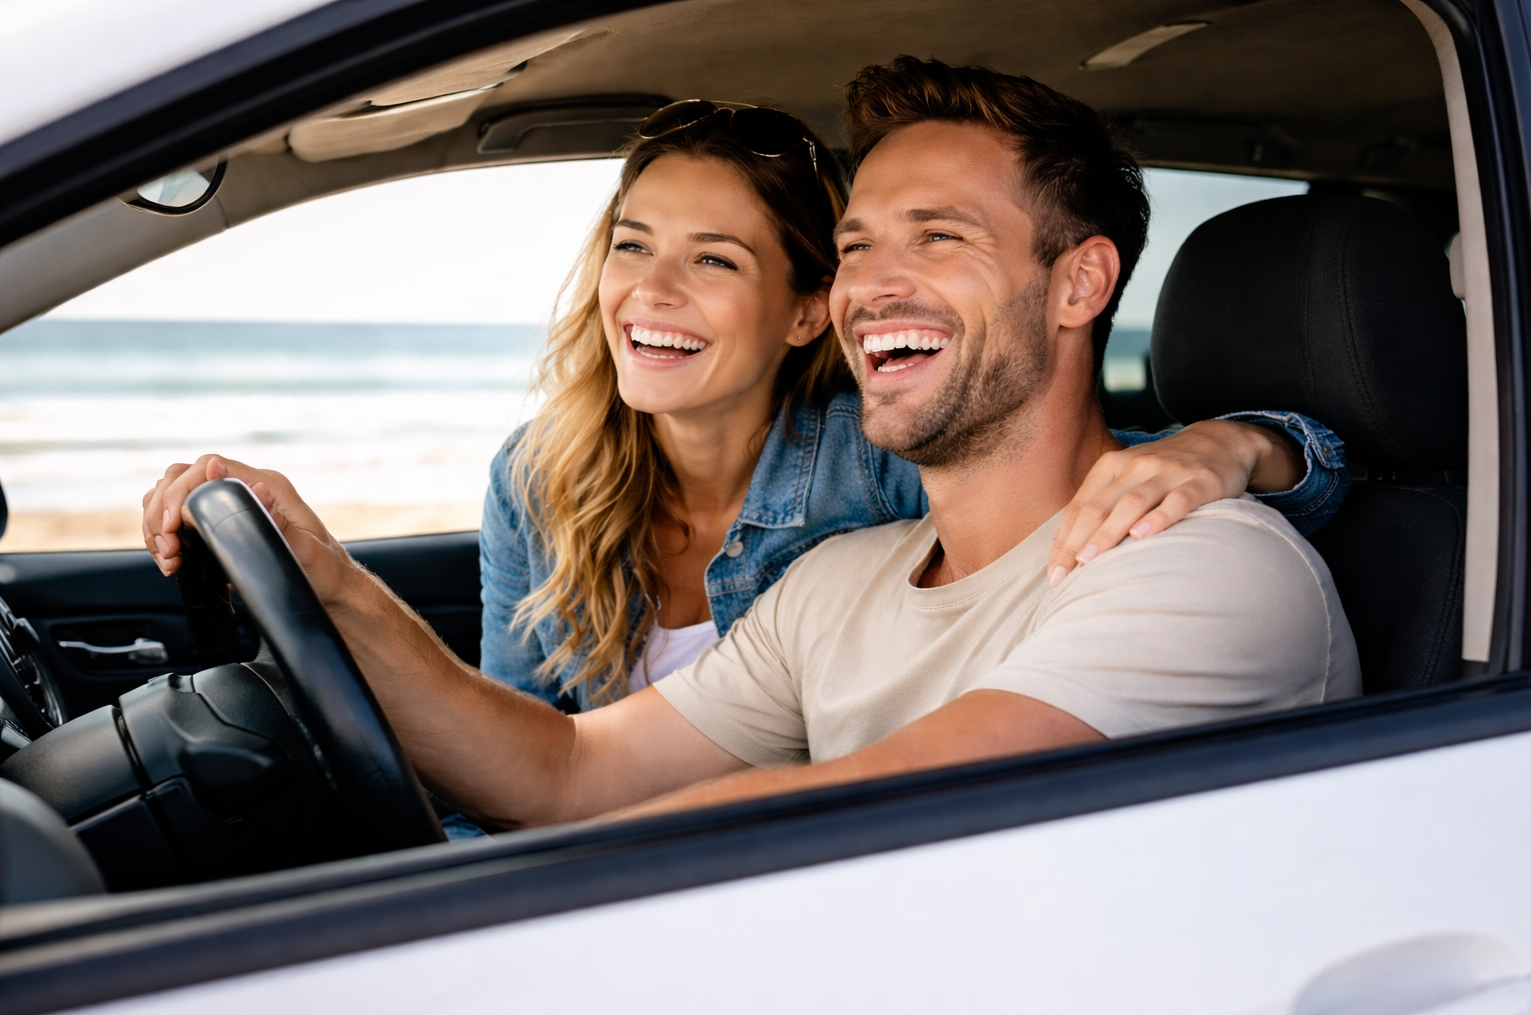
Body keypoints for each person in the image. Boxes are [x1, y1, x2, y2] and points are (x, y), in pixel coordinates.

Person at [141, 57, 1359, 830]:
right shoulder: (841, 581)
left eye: (938, 237)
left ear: (1081, 281)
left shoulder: (1203, 565)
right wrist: (334, 582)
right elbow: (559, 776)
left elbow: (853, 819)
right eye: (863, 245)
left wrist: (1247, 442)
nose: (872, 286)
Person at [475, 97, 1346, 713]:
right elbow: (520, 754)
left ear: (808, 311)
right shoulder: (537, 475)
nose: (651, 290)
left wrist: (1243, 443)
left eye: (714, 260)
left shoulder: (881, 456)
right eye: (632, 247)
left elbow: (1106, 475)